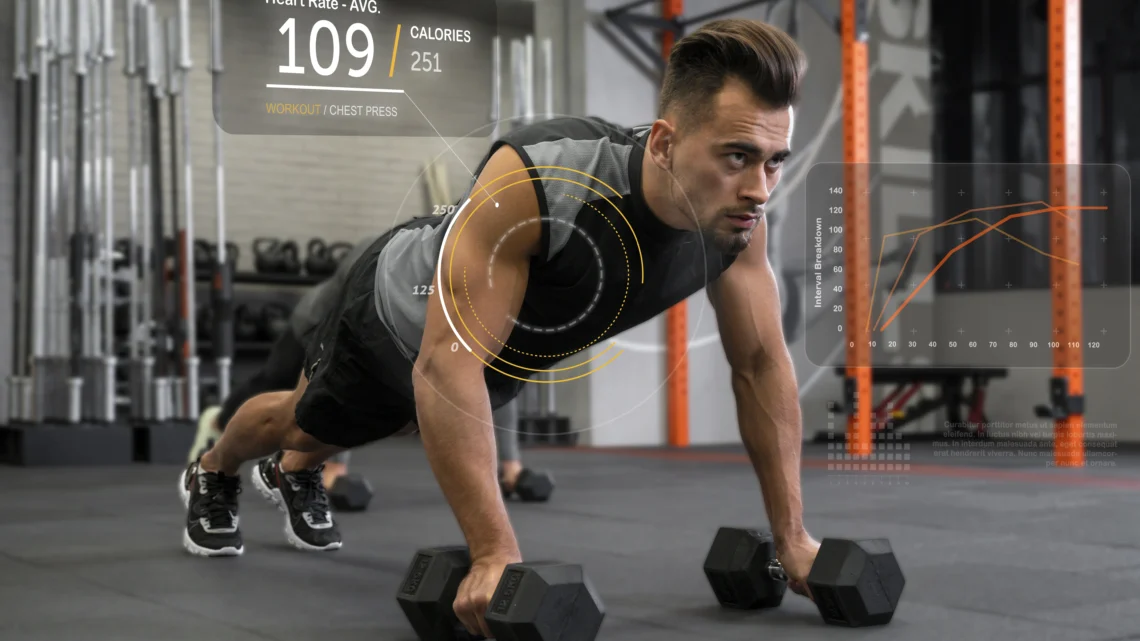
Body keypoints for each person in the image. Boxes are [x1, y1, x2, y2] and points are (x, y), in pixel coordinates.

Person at [181, 17, 819, 636]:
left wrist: (793, 538)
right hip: (397, 311)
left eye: (774, 161)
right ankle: (217, 469)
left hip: (502, 350)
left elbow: (760, 365)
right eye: (737, 157)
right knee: (303, 419)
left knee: (394, 420)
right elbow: (445, 363)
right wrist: (492, 553)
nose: (760, 189)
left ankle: (294, 469)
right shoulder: (546, 176)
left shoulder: (737, 225)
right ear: (663, 142)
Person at [182, 239, 536, 552]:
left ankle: (291, 468)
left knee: (401, 413)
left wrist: (510, 465)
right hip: (321, 320)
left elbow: (483, 383)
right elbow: (353, 363)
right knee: (285, 405)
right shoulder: (399, 253)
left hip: (390, 334)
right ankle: (213, 463)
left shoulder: (500, 279)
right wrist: (336, 465)